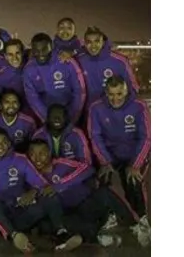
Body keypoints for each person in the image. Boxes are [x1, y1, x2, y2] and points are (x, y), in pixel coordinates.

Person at [0, 128, 82, 252]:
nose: (0, 146)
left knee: (48, 193)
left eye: (4, 142)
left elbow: (41, 184)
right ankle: (14, 236)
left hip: (21, 210)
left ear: (9, 143)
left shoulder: (21, 159)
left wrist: (32, 192)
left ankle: (62, 234)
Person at [26, 140, 141, 248]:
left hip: (86, 205)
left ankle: (136, 224)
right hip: (66, 214)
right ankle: (94, 236)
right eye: (32, 154)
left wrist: (60, 185)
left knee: (105, 193)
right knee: (50, 225)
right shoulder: (30, 174)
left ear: (49, 153)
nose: (37, 158)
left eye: (42, 153)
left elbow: (88, 169)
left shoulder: (62, 163)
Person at [87, 76, 151, 235]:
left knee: (133, 180)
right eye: (111, 94)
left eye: (119, 94)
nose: (115, 98)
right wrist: (105, 161)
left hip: (133, 154)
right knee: (103, 178)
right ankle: (110, 216)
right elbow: (95, 136)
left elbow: (147, 137)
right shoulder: (96, 108)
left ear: (126, 91)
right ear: (106, 93)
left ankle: (141, 219)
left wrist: (135, 164)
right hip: (110, 154)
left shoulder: (139, 106)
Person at [22, 33, 86, 124]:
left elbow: (79, 91)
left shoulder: (66, 61)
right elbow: (33, 99)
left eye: (44, 49)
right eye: (36, 50)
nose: (40, 54)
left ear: (51, 46)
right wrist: (47, 118)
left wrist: (73, 116)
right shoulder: (29, 70)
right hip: (47, 117)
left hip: (70, 115)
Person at [76, 26, 139, 106]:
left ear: (103, 42)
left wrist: (123, 108)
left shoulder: (119, 61)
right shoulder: (78, 61)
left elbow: (133, 87)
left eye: (97, 41)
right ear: (84, 43)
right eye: (89, 42)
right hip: (85, 114)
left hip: (111, 114)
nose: (93, 45)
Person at [0, 39, 26, 105]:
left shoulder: (31, 68)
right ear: (5, 56)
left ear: (22, 53)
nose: (15, 58)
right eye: (10, 54)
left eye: (17, 53)